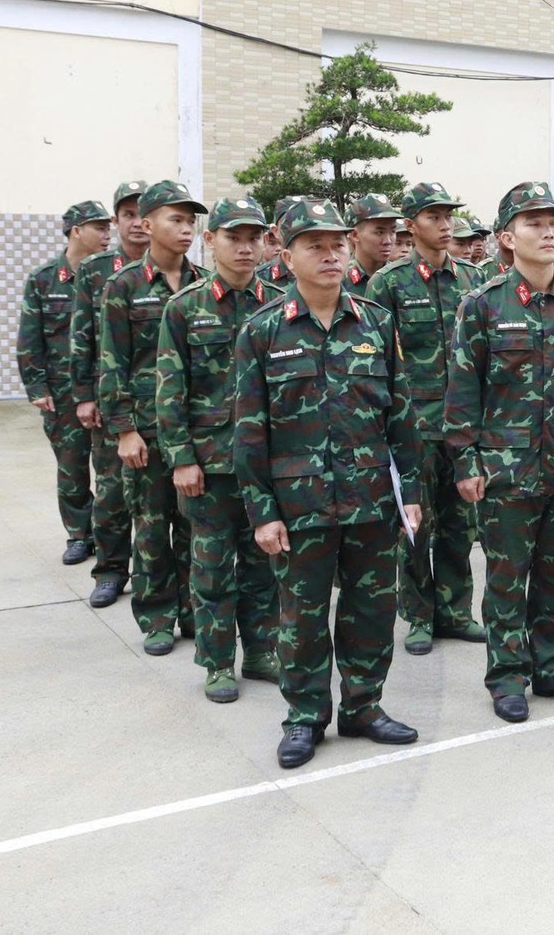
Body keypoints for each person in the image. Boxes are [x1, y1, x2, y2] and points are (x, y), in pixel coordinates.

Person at [233, 198, 423, 768]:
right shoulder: (263, 331)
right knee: (303, 617)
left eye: (337, 243)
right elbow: (248, 431)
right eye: (314, 245)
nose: (330, 254)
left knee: (370, 612)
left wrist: (410, 494)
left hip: (370, 501)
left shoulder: (375, 322)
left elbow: (401, 418)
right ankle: (305, 716)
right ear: (285, 255)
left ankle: (364, 707)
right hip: (299, 506)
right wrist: (263, 512)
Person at [446, 182, 554, 723]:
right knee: (506, 578)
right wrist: (465, 463)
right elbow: (462, 392)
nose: (548, 232)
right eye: (533, 223)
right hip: (506, 471)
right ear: (506, 237)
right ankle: (507, 676)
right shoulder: (482, 305)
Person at [153, 198, 281, 702]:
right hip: (209, 465)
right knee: (210, 569)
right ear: (212, 241)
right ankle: (217, 662)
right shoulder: (185, 307)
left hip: (265, 464)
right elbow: (170, 390)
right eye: (234, 237)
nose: (246, 248)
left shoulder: (279, 302)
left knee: (263, 564)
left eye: (254, 238)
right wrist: (182, 458)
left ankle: (262, 651)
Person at [366, 182, 486, 656]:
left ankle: (455, 611)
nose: (444, 224)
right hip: (413, 427)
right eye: (433, 217)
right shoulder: (389, 283)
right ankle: (418, 614)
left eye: (448, 216)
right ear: (410, 225)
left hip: (460, 427)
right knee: (416, 526)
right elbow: (378, 361)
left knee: (461, 525)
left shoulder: (473, 281)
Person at [97, 180, 207, 654]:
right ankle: (157, 615)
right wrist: (123, 430)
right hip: (145, 428)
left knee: (194, 527)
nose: (186, 229)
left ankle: (192, 611)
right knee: (151, 524)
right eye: (176, 219)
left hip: (195, 428)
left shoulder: (204, 283)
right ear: (146, 224)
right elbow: (111, 363)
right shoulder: (123, 286)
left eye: (191, 221)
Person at [18, 200, 111, 567]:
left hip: (102, 388)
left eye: (108, 228)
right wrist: (36, 388)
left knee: (109, 471)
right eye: (99, 228)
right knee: (72, 467)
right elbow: (30, 339)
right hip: (61, 392)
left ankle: (108, 538)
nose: (107, 235)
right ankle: (78, 534)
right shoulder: (43, 279)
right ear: (76, 231)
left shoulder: (111, 275)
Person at [70, 181, 150, 607]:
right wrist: (84, 395)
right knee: (113, 492)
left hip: (165, 404)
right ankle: (112, 570)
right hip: (112, 399)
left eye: (144, 214)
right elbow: (82, 336)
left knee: (163, 503)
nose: (137, 223)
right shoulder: (96, 270)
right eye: (128, 215)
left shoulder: (184, 272)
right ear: (117, 221)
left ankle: (160, 575)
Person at [343, 194, 402, 295]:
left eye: (392, 231)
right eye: (379, 232)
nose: (388, 241)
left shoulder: (404, 278)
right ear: (355, 235)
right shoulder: (338, 281)